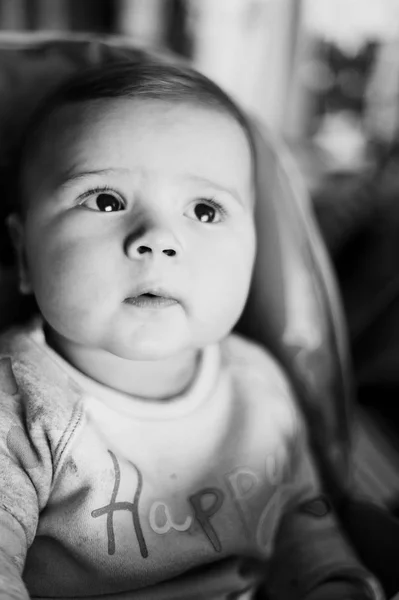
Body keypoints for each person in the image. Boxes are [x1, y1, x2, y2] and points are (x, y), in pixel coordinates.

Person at [0, 60, 383, 600]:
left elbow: (300, 518)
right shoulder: (19, 407)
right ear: (22, 254)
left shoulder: (259, 384)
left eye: (204, 210)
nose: (157, 238)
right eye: (105, 200)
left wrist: (333, 583)